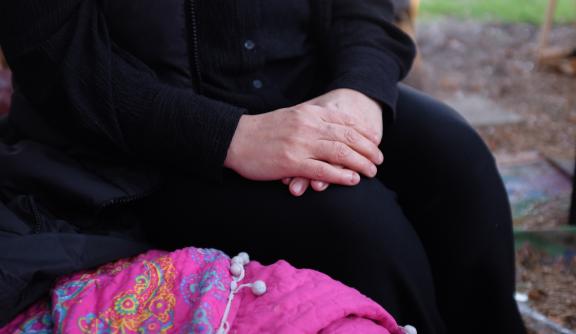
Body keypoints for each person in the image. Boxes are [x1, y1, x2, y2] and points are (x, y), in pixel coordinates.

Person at [0, 0, 525, 333]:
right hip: (135, 140)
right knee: (359, 226)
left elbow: (362, 9)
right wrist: (233, 137)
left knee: (461, 165)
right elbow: (56, 56)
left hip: (309, 90)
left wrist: (358, 92)